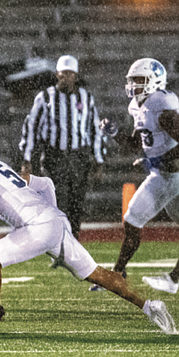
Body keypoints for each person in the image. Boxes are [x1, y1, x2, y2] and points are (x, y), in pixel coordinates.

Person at [0, 145, 177, 339]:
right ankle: (150, 306)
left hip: (40, 226)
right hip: (54, 221)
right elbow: (46, 184)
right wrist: (52, 215)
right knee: (96, 273)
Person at [99, 58, 179, 294]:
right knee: (132, 218)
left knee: (133, 217)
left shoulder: (161, 105)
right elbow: (139, 142)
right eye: (132, 80)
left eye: (140, 80)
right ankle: (120, 273)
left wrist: (155, 159)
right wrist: (114, 133)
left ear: (155, 80)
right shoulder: (137, 106)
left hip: (173, 174)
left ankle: (169, 279)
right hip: (164, 173)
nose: (134, 85)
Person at [19, 55, 104, 240]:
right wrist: (27, 159)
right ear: (56, 74)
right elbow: (31, 126)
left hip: (79, 156)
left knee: (77, 202)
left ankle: (72, 240)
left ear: (75, 75)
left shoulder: (86, 97)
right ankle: (58, 241)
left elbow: (95, 128)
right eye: (62, 73)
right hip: (54, 155)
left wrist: (98, 159)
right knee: (57, 201)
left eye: (69, 73)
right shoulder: (45, 97)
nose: (65, 77)